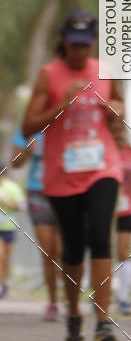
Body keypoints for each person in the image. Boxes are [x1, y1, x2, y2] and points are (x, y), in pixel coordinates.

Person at [22, 9, 124, 341]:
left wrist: (117, 112)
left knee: (100, 237)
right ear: (63, 41)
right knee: (73, 247)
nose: (79, 51)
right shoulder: (48, 75)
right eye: (74, 44)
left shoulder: (105, 72)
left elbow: (119, 106)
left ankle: (104, 322)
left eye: (85, 44)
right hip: (61, 174)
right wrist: (62, 104)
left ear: (93, 43)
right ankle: (74, 313)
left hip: (102, 167)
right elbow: (28, 126)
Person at [12, 128, 63, 319]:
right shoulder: (28, 129)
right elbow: (15, 162)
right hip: (37, 193)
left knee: (63, 251)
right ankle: (53, 302)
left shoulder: (64, 124)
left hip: (64, 191)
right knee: (48, 251)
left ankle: (68, 297)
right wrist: (27, 150)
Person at [113, 125, 131, 314]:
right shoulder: (105, 149)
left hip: (127, 207)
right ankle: (99, 295)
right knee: (102, 252)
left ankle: (123, 299)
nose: (119, 133)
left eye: (121, 130)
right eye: (115, 130)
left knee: (123, 252)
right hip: (105, 207)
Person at [0, 166, 26, 298]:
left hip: (8, 227)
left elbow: (22, 206)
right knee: (0, 256)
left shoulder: (12, 187)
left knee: (6, 259)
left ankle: (3, 282)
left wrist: (5, 202)